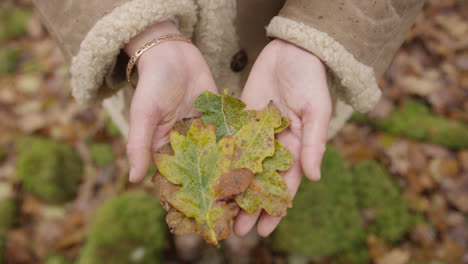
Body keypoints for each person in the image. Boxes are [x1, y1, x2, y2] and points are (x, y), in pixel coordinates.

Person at [32, 0, 425, 238]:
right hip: (150, 74)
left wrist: (320, 34)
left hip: (295, 63)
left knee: (287, 167)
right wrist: (143, 33)